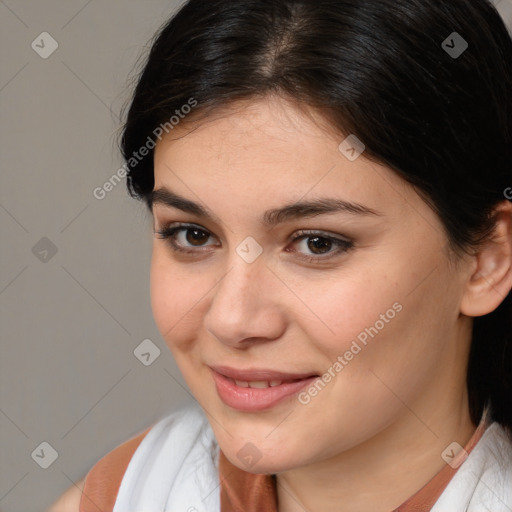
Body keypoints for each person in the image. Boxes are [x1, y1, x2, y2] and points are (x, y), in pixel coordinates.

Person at [48, 0, 512, 510]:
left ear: (488, 260)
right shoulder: (120, 497)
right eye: (193, 235)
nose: (232, 320)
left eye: (318, 243)